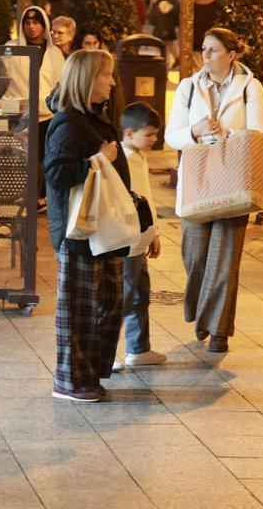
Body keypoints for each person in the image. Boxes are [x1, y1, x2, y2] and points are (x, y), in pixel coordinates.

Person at [164, 27, 263, 354]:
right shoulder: (188, 88)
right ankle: (202, 311)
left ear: (231, 54)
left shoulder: (251, 88)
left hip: (233, 181)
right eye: (204, 50)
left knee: (224, 261)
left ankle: (219, 331)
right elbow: (171, 134)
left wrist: (226, 135)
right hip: (197, 179)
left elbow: (259, 134)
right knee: (194, 256)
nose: (205, 56)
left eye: (212, 50)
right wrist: (195, 132)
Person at [43, 50, 130, 403]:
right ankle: (70, 381)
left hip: (102, 230)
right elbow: (56, 173)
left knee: (106, 303)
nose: (112, 82)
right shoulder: (69, 123)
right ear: (86, 80)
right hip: (79, 232)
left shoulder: (93, 118)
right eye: (105, 75)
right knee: (79, 311)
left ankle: (89, 374)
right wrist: (97, 160)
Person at [113, 102, 166, 370]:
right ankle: (109, 351)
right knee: (125, 296)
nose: (154, 140)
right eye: (149, 135)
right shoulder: (124, 160)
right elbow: (130, 202)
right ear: (129, 133)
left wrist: (153, 233)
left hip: (141, 237)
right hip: (128, 241)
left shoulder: (138, 156)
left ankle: (138, 348)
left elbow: (147, 199)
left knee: (140, 293)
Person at [4, 6, 66, 199]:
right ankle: (21, 195)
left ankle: (42, 197)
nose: (31, 27)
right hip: (19, 115)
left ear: (43, 25)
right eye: (27, 22)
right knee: (21, 159)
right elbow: (3, 79)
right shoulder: (10, 48)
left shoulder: (55, 53)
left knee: (44, 158)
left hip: (47, 116)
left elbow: (60, 84)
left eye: (36, 22)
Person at [147, 0, 179, 69]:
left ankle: (161, 68)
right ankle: (167, 68)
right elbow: (176, 21)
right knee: (168, 50)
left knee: (160, 51)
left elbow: (152, 21)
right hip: (170, 32)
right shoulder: (173, 8)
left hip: (158, 32)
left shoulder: (156, 8)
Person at [192, 0, 221, 69]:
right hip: (213, 44)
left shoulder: (191, 6)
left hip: (196, 43)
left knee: (198, 69)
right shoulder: (218, 8)